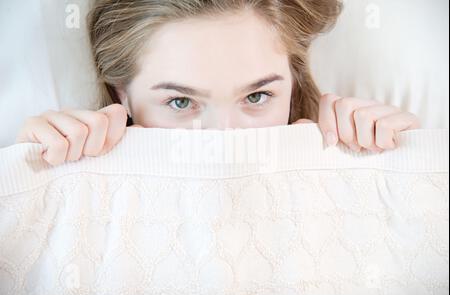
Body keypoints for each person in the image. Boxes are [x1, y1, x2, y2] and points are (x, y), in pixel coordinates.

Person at [16, 0, 420, 166]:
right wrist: (32, 174)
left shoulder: (347, 166)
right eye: (180, 102)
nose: (223, 140)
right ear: (123, 95)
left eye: (258, 95)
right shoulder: (75, 186)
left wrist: (398, 161)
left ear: (293, 84)